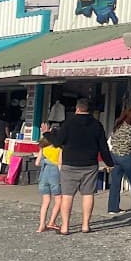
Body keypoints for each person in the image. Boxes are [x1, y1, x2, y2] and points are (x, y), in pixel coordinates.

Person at [53, 98, 115, 234]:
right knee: (88, 194)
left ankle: (65, 227)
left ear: (77, 108)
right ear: (89, 110)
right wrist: (110, 163)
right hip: (90, 164)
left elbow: (58, 142)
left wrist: (47, 134)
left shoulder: (68, 123)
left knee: (67, 195)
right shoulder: (97, 125)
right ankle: (86, 225)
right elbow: (103, 148)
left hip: (70, 163)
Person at [36, 127, 64, 234]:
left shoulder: (44, 148)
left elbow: (37, 163)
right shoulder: (59, 149)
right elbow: (60, 163)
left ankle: (41, 225)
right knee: (58, 200)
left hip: (44, 176)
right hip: (55, 175)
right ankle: (52, 221)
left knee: (45, 202)